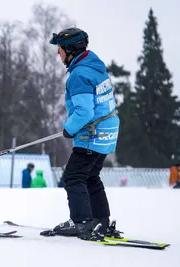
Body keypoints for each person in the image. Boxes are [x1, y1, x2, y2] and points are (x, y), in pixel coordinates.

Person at [45, 27, 120, 240]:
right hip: (107, 131)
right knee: (90, 176)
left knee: (73, 177)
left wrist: (70, 128)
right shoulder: (94, 66)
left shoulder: (79, 75)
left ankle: (81, 222)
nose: (57, 53)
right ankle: (100, 221)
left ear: (69, 49)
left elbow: (84, 111)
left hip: (92, 133)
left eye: (59, 49)